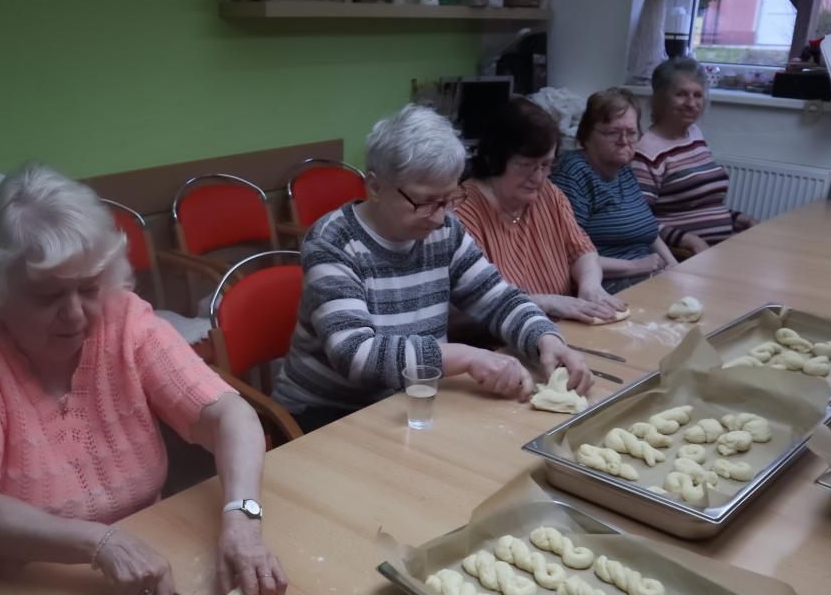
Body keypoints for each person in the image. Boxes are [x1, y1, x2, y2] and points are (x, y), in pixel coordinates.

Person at [0, 162, 287, 595]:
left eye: (88, 288)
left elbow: (229, 414)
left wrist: (242, 518)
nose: (74, 313)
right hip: (2, 589)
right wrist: (99, 542)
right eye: (47, 296)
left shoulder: (122, 316)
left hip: (138, 556)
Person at [272, 104, 591, 434]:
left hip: (411, 399)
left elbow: (498, 299)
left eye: (447, 199)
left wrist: (545, 339)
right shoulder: (334, 242)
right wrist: (466, 357)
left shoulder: (445, 231)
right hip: (328, 414)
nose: (439, 217)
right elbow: (357, 355)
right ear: (376, 187)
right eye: (425, 201)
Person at [457, 96, 628, 323]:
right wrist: (546, 302)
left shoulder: (548, 194)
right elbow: (461, 313)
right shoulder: (461, 213)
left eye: (546, 164)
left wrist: (590, 286)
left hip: (561, 328)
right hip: (502, 339)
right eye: (526, 165)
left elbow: (581, 251)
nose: (538, 177)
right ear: (493, 159)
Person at [552, 88, 677, 294]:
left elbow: (649, 233)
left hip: (647, 275)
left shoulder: (624, 169)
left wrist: (675, 266)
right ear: (587, 134)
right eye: (612, 132)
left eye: (632, 133)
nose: (624, 141)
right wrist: (635, 266)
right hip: (603, 286)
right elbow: (565, 253)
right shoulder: (573, 173)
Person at [632, 57, 757, 256]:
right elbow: (637, 220)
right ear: (660, 98)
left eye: (697, 95)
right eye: (681, 94)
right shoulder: (645, 151)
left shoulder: (694, 134)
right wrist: (687, 240)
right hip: (686, 256)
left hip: (719, 249)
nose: (691, 103)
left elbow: (704, 205)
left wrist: (737, 218)